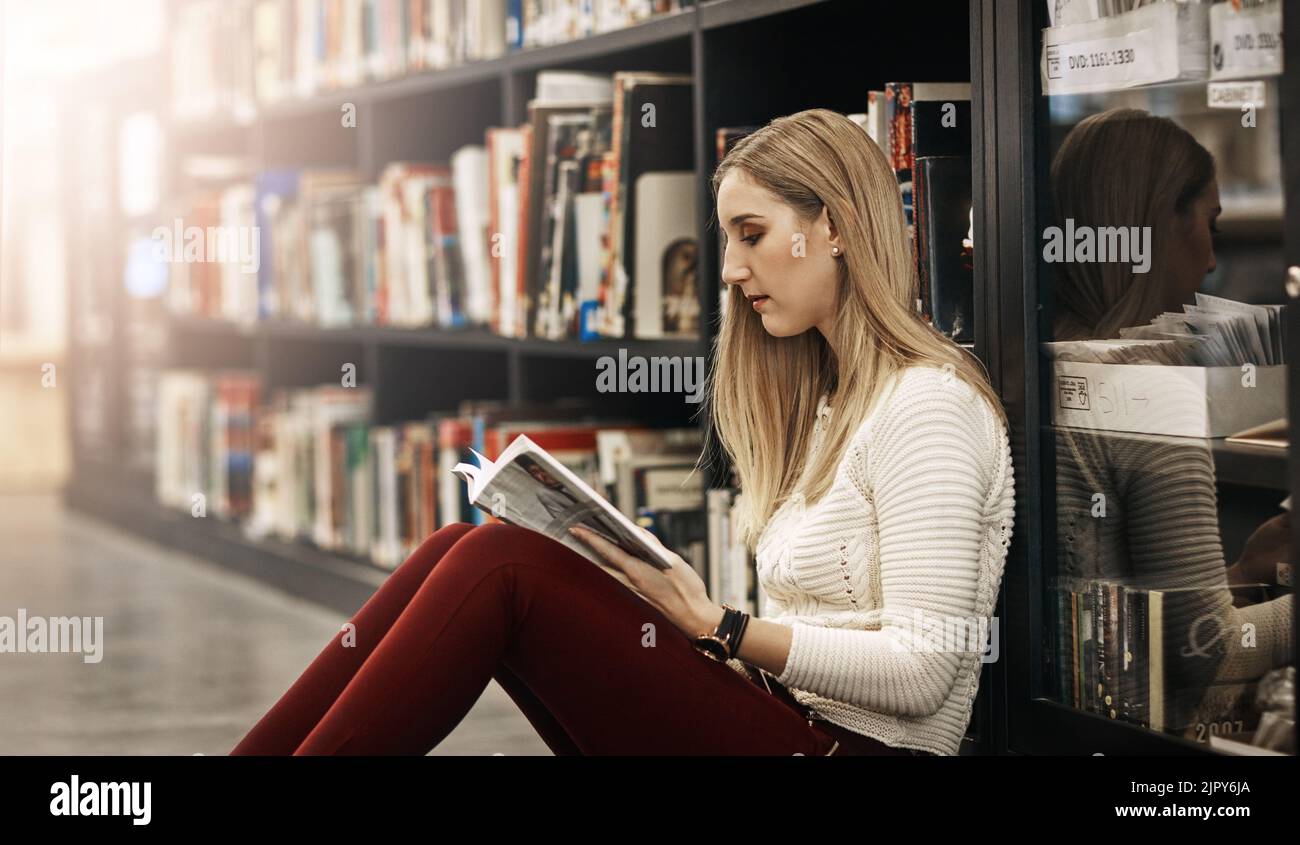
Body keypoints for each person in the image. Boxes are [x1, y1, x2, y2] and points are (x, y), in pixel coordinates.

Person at [230, 108, 1016, 756]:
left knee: (499, 566)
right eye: (727, 243)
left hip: (855, 750)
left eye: (753, 233)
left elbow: (926, 670)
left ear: (835, 228)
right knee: (455, 547)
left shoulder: (928, 407)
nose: (733, 273)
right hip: (786, 721)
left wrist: (719, 627)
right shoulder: (831, 402)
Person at [1045, 108, 1292, 735]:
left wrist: (1239, 577)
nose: (1211, 261)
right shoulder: (1148, 388)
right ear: (1162, 225)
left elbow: (1106, 591)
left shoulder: (1041, 363)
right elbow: (1210, 657)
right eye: (1208, 224)